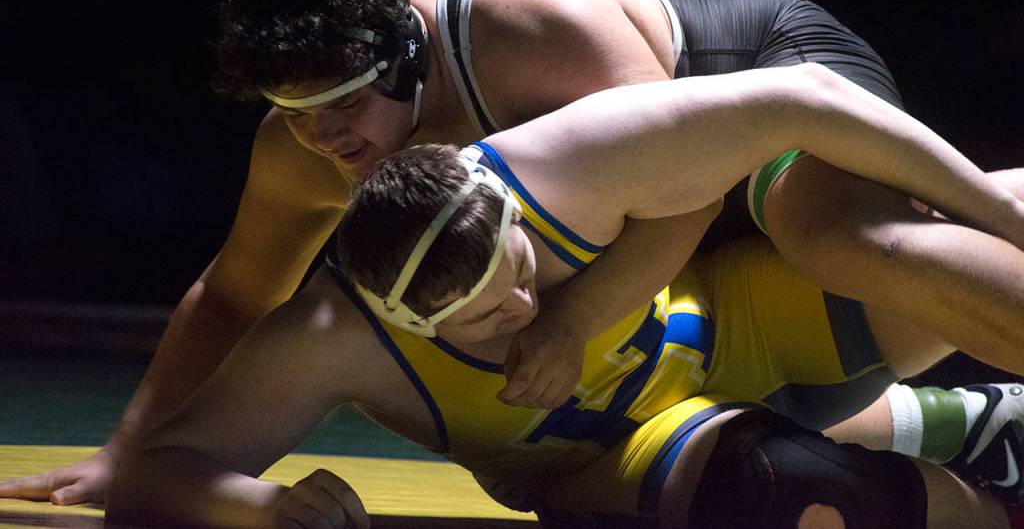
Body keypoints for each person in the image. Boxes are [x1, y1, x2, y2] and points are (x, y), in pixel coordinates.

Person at [7, 0, 1024, 507]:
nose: (325, 140)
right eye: (292, 115)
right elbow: (234, 287)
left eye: (342, 107)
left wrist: (576, 320)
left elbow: (688, 185)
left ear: (406, 50)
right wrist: (132, 447)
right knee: (713, 399)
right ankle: (972, 425)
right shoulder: (311, 145)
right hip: (657, 210)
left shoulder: (536, 30)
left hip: (747, 80)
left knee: (835, 240)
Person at [106, 69, 1024, 527]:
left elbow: (806, 92)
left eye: (524, 268)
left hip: (751, 326)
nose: (524, 304)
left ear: (505, 208)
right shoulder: (333, 334)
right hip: (652, 450)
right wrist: (263, 508)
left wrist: (996, 209)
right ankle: (991, 489)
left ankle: (975, 420)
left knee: (982, 236)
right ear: (396, 319)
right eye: (488, 314)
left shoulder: (558, 164)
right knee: (775, 489)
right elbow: (161, 463)